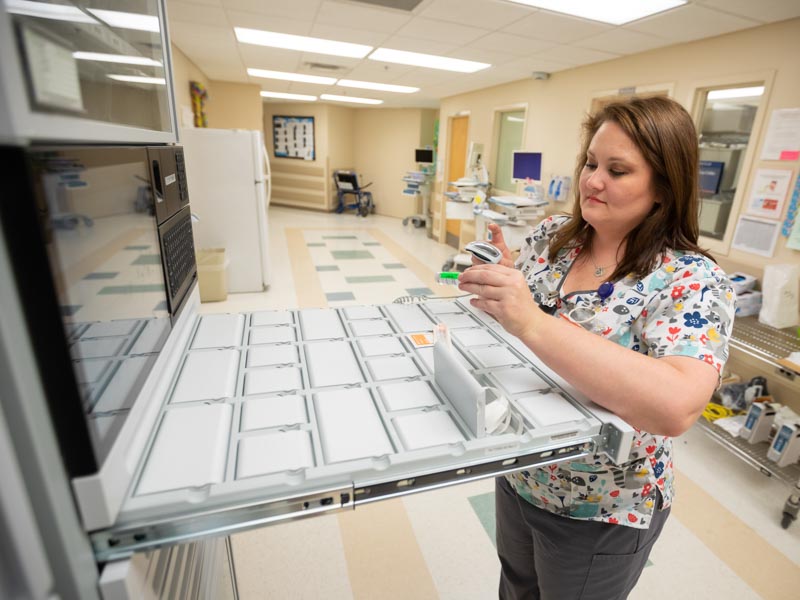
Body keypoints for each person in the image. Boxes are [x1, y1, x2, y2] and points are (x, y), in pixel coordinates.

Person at [457, 96, 735, 600]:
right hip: (521, 473)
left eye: (618, 170)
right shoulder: (551, 240)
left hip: (602, 506)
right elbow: (518, 334)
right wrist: (501, 288)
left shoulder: (691, 281)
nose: (592, 181)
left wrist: (532, 320)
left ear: (664, 187)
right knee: (516, 589)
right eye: (590, 162)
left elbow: (677, 405)